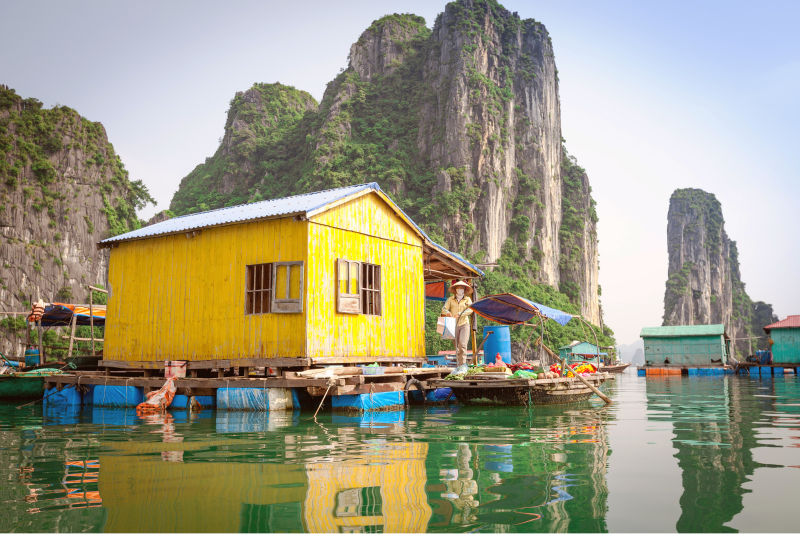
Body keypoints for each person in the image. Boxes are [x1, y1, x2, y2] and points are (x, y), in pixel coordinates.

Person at [441, 280, 473, 365]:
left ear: (465, 289)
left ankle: (463, 366)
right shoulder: (450, 299)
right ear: (455, 289)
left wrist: (460, 314)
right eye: (458, 287)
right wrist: (447, 313)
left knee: (462, 345)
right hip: (453, 325)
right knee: (457, 347)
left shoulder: (467, 299)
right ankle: (459, 365)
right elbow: (444, 309)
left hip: (464, 324)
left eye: (462, 287)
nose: (460, 289)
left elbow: (470, 309)